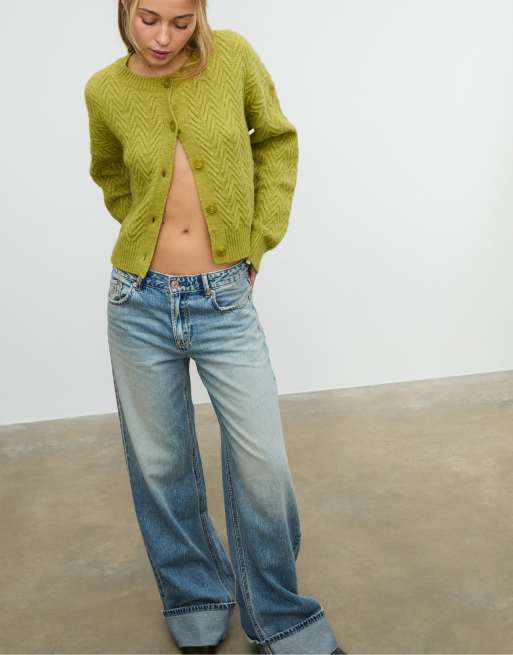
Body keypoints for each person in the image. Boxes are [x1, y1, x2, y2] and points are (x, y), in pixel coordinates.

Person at [84, 1, 346, 653]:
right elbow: (111, 175)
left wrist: (256, 238)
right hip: (137, 300)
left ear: (200, 12)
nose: (163, 37)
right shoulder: (104, 91)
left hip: (224, 298)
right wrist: (148, 228)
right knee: (161, 463)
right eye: (149, 19)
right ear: (125, 8)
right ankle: (195, 593)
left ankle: (279, 614)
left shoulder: (232, 59)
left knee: (262, 463)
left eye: (181, 21)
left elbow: (276, 140)